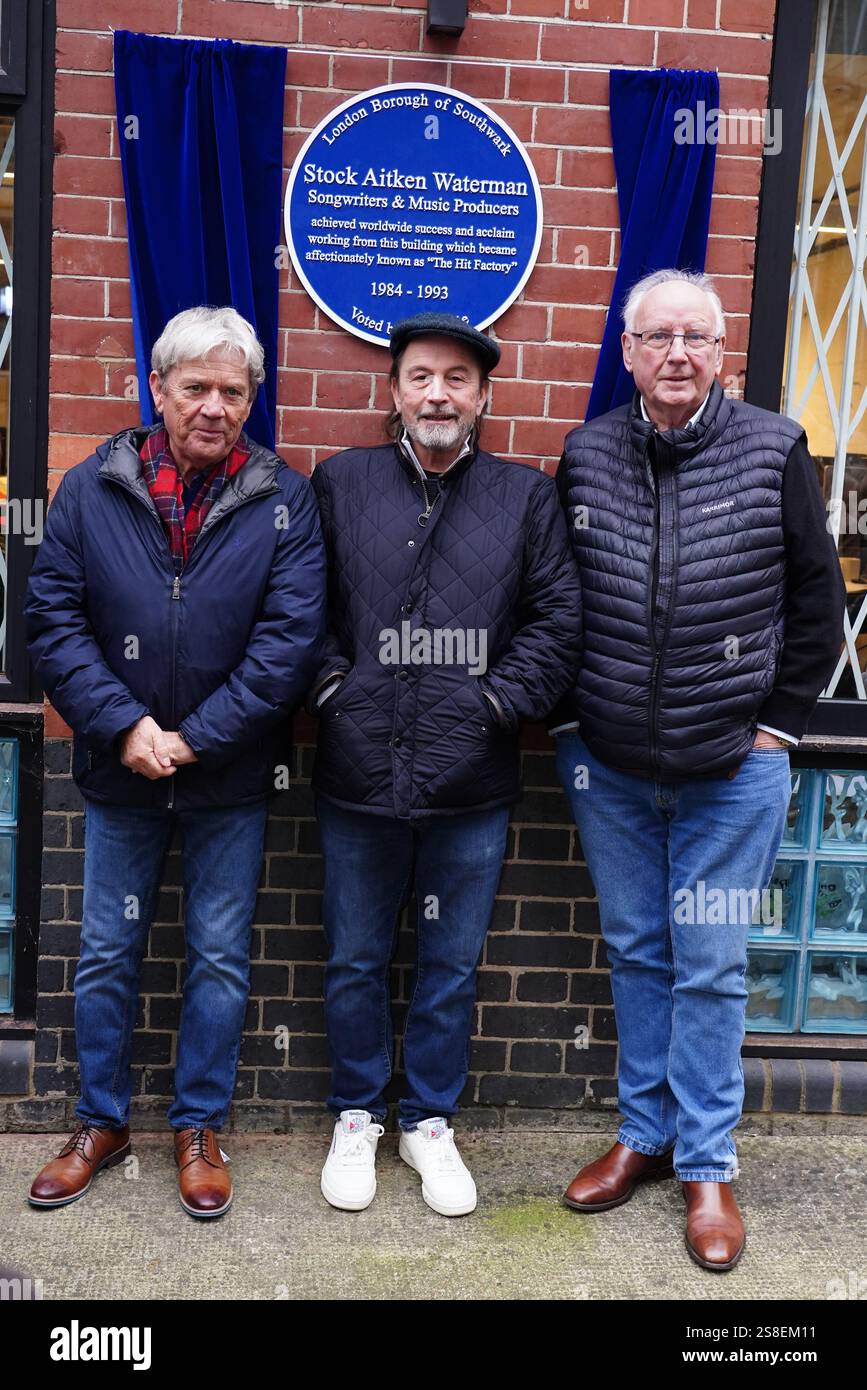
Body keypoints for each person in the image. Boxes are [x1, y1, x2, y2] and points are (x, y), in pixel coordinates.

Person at [553, 268, 845, 1270]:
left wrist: (779, 724)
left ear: (720, 353)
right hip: (613, 767)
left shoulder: (773, 448)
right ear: (627, 352)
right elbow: (560, 601)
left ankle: (708, 1164)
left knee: (711, 964)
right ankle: (644, 1134)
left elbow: (817, 603)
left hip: (735, 765)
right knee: (637, 950)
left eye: (696, 336)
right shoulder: (586, 455)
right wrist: (568, 724)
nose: (677, 352)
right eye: (657, 335)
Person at [24, 306, 326, 1218]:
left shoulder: (285, 500)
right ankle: (100, 1122)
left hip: (227, 777)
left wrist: (194, 737)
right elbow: (52, 620)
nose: (213, 406)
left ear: (250, 399)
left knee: (221, 959)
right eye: (194, 387)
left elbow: (288, 643)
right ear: (156, 389)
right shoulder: (91, 487)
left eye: (233, 391)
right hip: (121, 774)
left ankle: (199, 1124)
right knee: (109, 951)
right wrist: (124, 727)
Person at [309, 311, 580, 1216]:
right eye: (420, 376)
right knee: (353, 957)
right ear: (394, 391)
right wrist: (333, 696)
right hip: (356, 770)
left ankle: (427, 1121)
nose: (437, 393)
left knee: (450, 963)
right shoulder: (341, 484)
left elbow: (556, 623)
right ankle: (355, 1114)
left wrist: (496, 704)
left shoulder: (524, 497)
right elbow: (301, 613)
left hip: (472, 779)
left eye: (456, 379)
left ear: (482, 396)